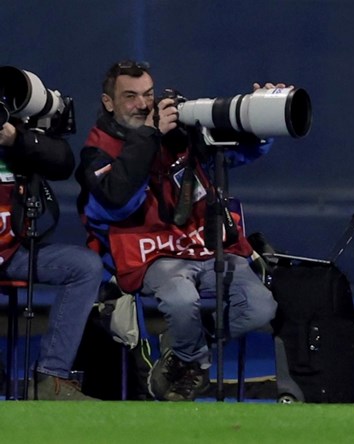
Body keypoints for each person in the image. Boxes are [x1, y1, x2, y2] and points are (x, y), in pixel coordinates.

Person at [75, 61, 278, 401]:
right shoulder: (98, 149)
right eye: (130, 96)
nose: (143, 104)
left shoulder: (178, 129)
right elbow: (118, 199)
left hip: (204, 245)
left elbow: (235, 155)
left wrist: (261, 119)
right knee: (181, 302)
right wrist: (149, 136)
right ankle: (193, 359)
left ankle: (182, 350)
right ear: (108, 102)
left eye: (148, 95)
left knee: (260, 308)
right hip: (152, 252)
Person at [0, 120, 102, 400]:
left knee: (85, 267)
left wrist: (16, 139)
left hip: (11, 253)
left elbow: (62, 162)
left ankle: (51, 379)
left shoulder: (12, 122)